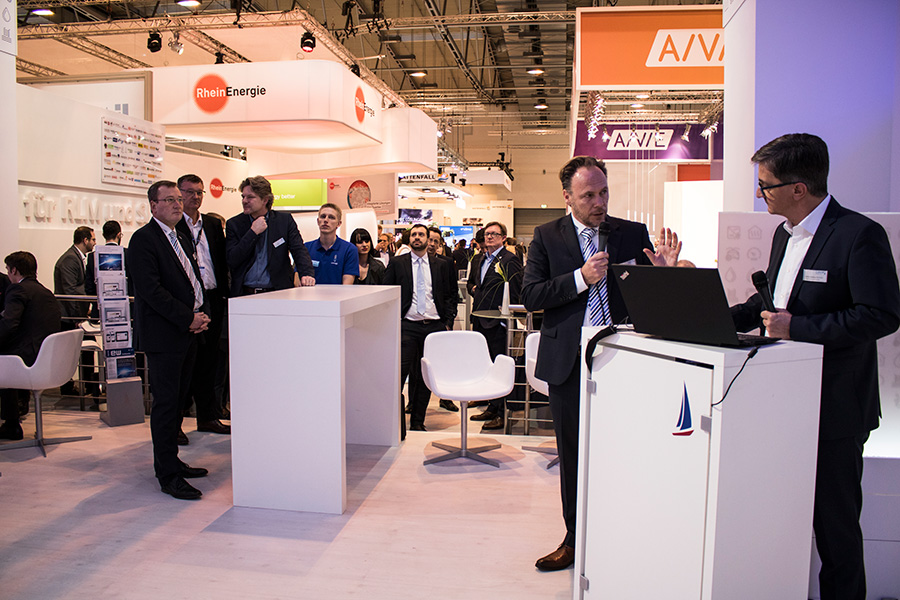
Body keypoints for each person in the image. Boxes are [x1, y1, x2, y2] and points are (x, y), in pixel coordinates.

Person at [730, 133, 900, 600]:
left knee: (836, 530)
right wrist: (714, 318)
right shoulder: (783, 235)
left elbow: (881, 315)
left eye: (765, 185)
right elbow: (771, 304)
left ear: (798, 188)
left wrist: (798, 328)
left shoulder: (858, 234)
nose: (759, 193)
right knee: (781, 518)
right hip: (782, 403)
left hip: (836, 411)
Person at [522, 156, 681, 571]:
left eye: (604, 192)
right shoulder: (546, 236)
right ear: (567, 196)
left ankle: (623, 537)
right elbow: (532, 296)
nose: (599, 202)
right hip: (569, 362)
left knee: (626, 453)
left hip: (625, 360)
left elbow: (655, 305)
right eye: (588, 195)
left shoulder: (631, 233)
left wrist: (663, 274)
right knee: (573, 456)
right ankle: (574, 539)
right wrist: (580, 278)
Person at [129, 180, 212, 500]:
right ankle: (167, 474)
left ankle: (173, 461)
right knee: (165, 405)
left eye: (179, 199)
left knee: (178, 403)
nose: (178, 204)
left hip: (187, 331)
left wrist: (200, 313)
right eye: (170, 200)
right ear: (153, 205)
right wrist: (187, 317)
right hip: (165, 336)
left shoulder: (180, 236)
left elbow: (194, 280)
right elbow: (151, 291)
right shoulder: (144, 240)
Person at [383, 223, 458, 433]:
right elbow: (387, 292)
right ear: (409, 239)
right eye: (414, 234)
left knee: (425, 376)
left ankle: (418, 421)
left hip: (434, 326)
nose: (417, 237)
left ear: (428, 239)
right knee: (400, 374)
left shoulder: (441, 264)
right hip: (407, 325)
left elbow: (451, 294)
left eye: (421, 234)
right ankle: (394, 423)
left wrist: (447, 321)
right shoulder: (397, 263)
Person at [175, 174, 230, 439]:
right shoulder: (173, 225)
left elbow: (220, 259)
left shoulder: (211, 224)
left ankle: (208, 417)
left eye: (199, 192)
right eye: (189, 192)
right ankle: (175, 424)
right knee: (185, 364)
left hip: (213, 299)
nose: (195, 197)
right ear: (179, 194)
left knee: (210, 362)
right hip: (187, 304)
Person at [467, 221, 523, 430]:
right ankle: (491, 405)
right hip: (479, 318)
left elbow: (515, 289)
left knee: (500, 366)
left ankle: (502, 412)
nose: (489, 237)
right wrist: (474, 290)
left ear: (503, 238)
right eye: (487, 234)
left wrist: (507, 315)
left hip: (498, 321)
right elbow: (473, 283)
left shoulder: (509, 260)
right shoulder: (480, 258)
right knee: (485, 363)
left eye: (494, 234)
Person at [0, 252, 62, 441]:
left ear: (14, 270)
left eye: (8, 270)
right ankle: (13, 418)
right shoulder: (45, 292)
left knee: (4, 359)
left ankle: (11, 424)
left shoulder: (18, 290)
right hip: (46, 359)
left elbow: (8, 325)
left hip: (28, 361)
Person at [226, 175, 315, 296]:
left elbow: (299, 250)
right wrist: (252, 233)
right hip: (245, 294)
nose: (244, 201)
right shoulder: (234, 224)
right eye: (243, 197)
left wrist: (307, 274)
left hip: (278, 292)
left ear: (265, 200)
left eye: (250, 197)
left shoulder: (284, 221)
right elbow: (233, 259)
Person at [305, 203, 358, 285]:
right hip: (310, 293)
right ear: (318, 221)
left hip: (339, 293)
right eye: (323, 216)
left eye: (331, 217)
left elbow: (347, 286)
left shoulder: (349, 250)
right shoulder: (306, 248)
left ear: (339, 223)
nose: (326, 220)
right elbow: (297, 281)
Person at [54, 226, 95, 324]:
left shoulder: (76, 257)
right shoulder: (70, 259)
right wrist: (76, 317)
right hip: (68, 318)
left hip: (73, 315)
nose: (95, 243)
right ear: (85, 240)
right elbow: (69, 291)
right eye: (93, 240)